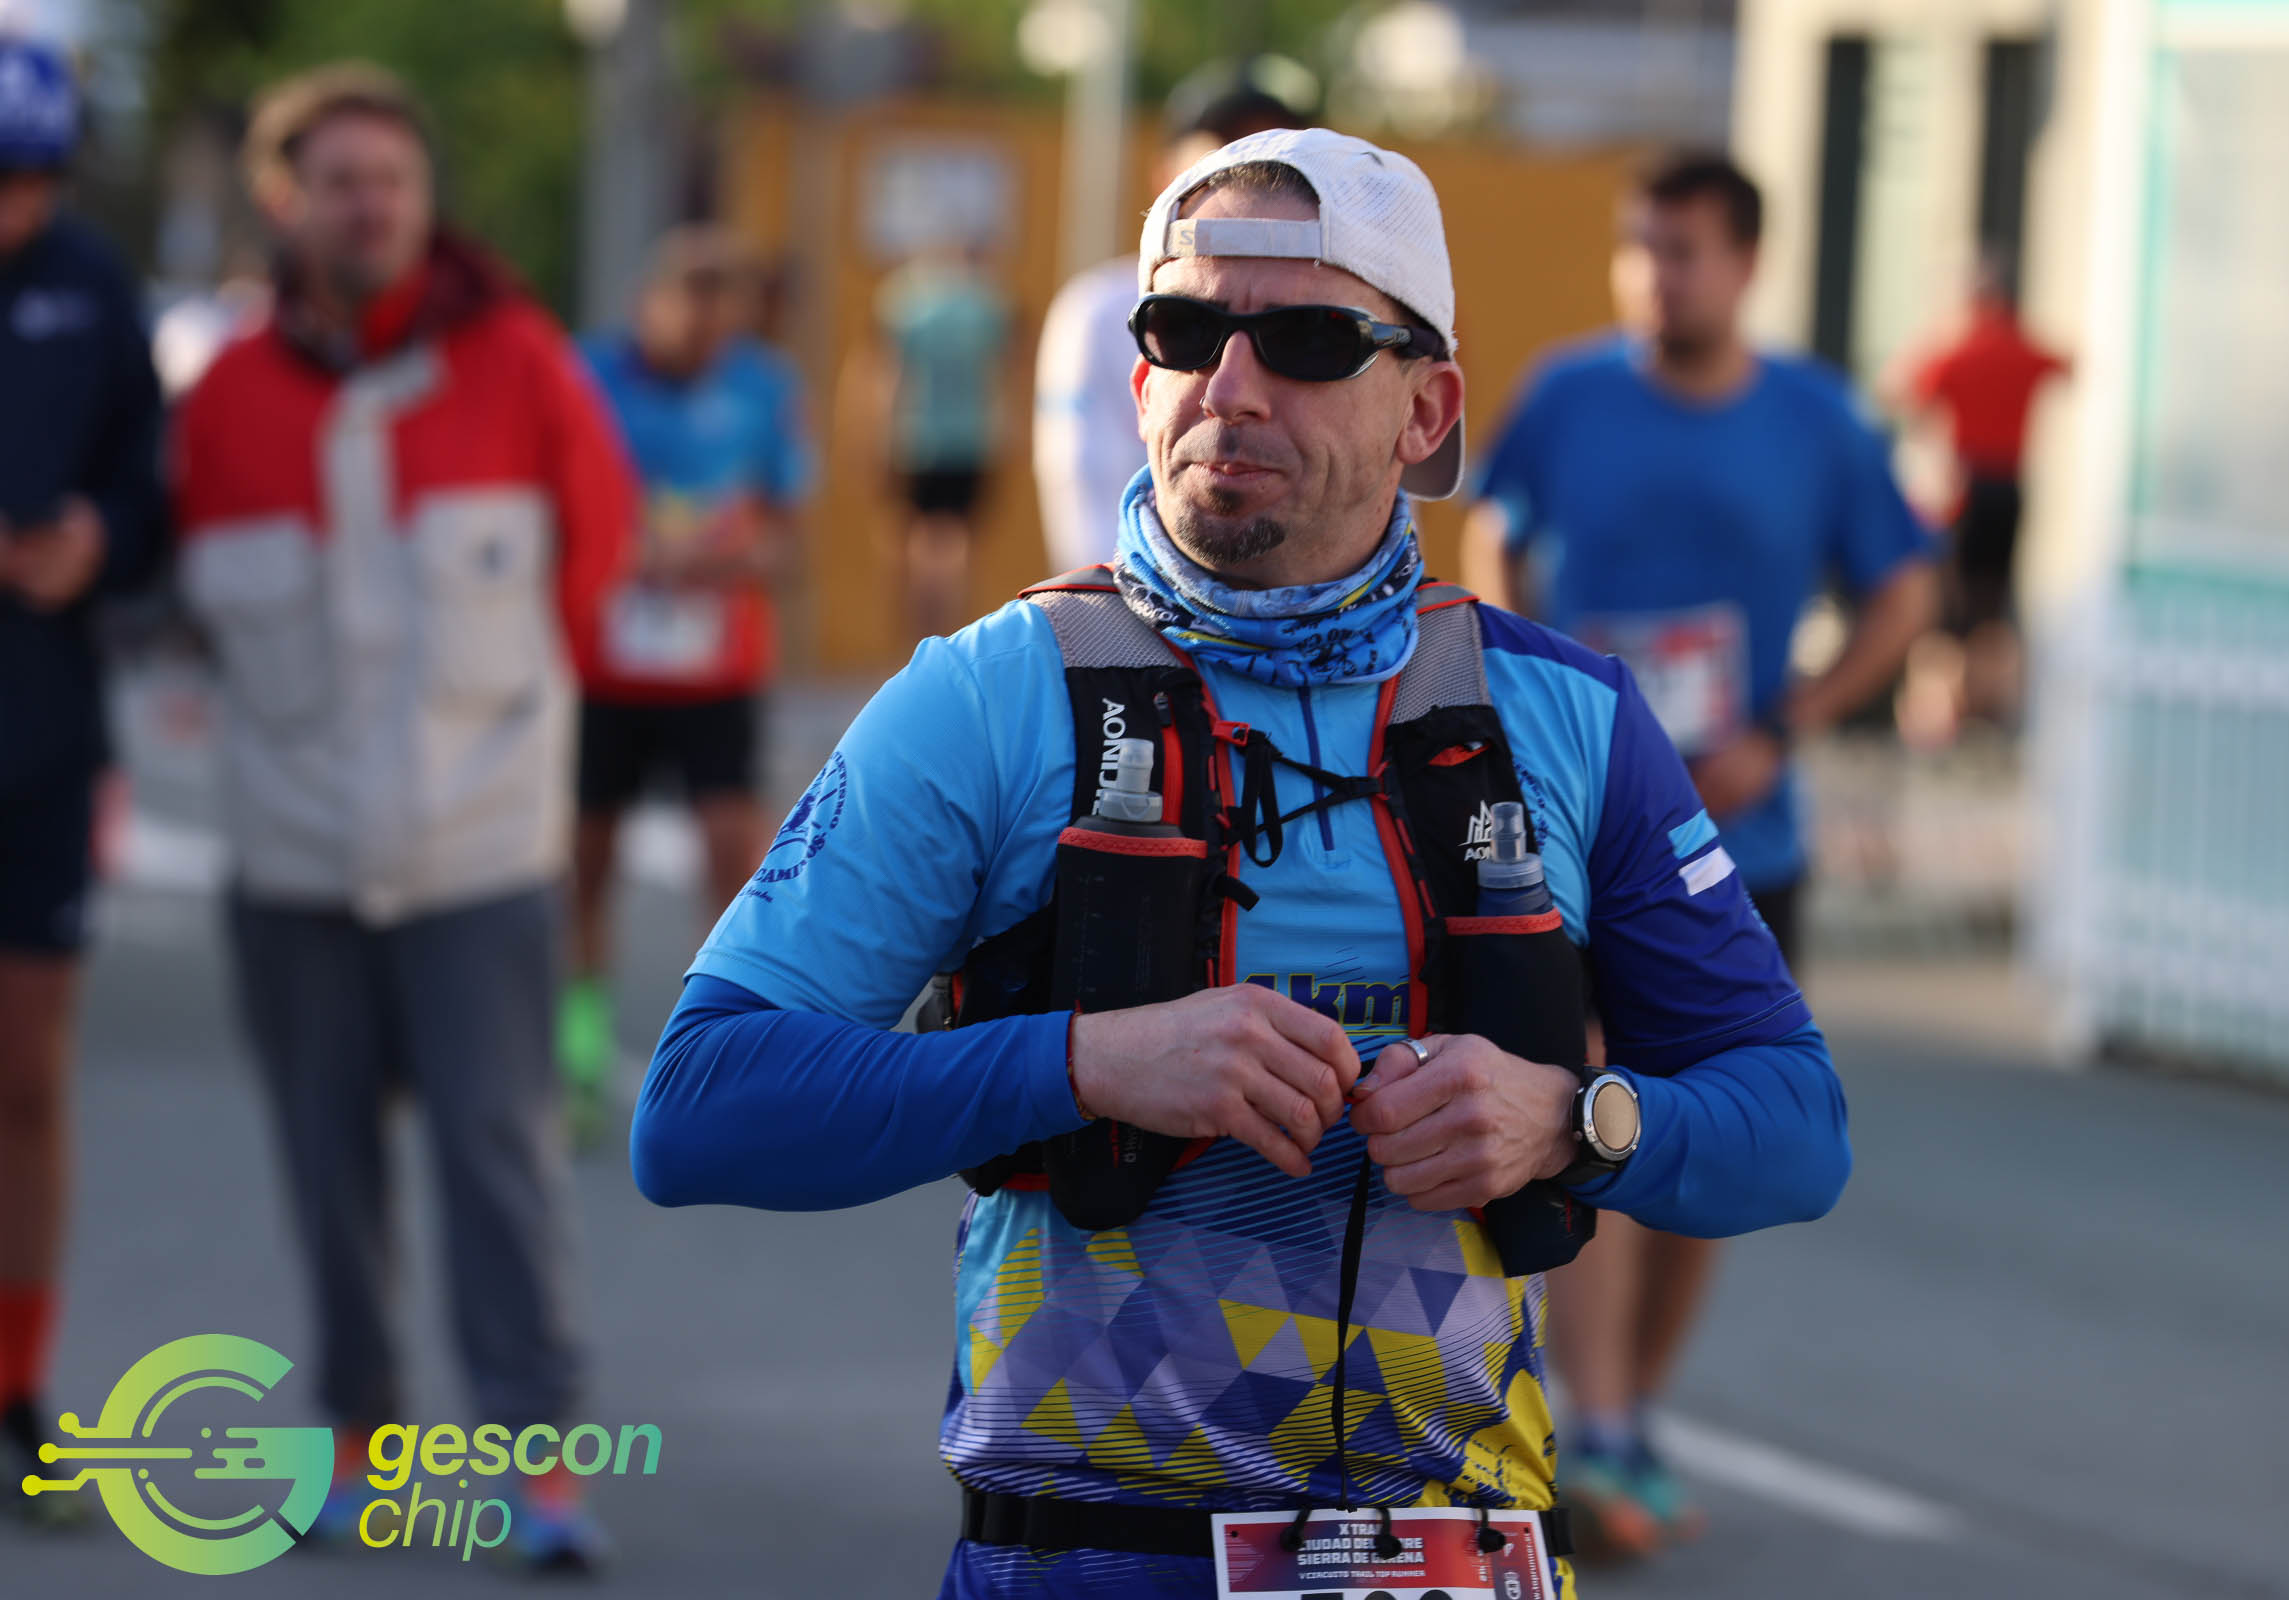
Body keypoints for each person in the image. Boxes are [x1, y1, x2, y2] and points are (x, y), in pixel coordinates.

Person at [633, 127, 1852, 1598]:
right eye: (1185, 330)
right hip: (1092, 1565)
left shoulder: (1569, 715)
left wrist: (1575, 1121)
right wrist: (1086, 1062)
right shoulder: (991, 693)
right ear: (1139, 378)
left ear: (1427, 408)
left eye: (1311, 342)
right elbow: (696, 1111)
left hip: (1458, 1562)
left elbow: (1798, 1126)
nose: (1233, 385)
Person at [172, 63, 633, 1570]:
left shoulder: (517, 361)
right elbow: (194, 600)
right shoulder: (225, 398)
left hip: (480, 852)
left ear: (424, 200)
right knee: (328, 1171)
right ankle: (360, 1442)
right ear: (284, 201)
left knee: (498, 1167)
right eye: (339, 181)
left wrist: (514, 742)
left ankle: (539, 1466)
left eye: (392, 179)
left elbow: (595, 551)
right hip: (292, 858)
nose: (369, 205)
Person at [1462, 151, 1936, 1558]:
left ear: (1746, 264)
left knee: (1711, 1130)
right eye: (1637, 247)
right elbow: (1496, 538)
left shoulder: (1816, 420)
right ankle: (1598, 1423)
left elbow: (1904, 587)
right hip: (1569, 830)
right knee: (1591, 1097)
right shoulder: (1568, 395)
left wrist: (1787, 725)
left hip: (1738, 833)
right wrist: (1522, 704)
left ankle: (1632, 1413)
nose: (1652, 276)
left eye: (1679, 250)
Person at [0, 32, 165, 1519]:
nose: (16, 204)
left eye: (36, 176)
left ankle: (15, 1384)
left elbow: (149, 476)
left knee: (25, 1077)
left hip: (40, 731)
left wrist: (98, 539)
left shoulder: (90, 282)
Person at [562, 225, 816, 1136]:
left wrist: (718, 559)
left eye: (725, 331)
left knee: (733, 866)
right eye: (691, 324)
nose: (709, 345)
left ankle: (731, 1064)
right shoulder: (588, 377)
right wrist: (624, 551)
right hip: (600, 668)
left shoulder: (764, 388)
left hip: (715, 669)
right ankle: (577, 1060)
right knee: (582, 868)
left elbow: (787, 542)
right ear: (650, 305)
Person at [1032, 66, 1307, 573]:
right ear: (1165, 177)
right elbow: (1082, 479)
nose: (1255, 176)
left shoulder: (1346, 309)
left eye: (1279, 160)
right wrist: (1125, 611)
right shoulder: (1099, 310)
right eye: (1225, 155)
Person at [1890, 255, 2069, 731]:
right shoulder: (2023, 349)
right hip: (2008, 488)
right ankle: (1989, 703)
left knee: (1951, 602)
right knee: (1993, 598)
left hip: (1965, 488)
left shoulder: (1960, 351)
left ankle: (1938, 710)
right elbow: (2068, 367)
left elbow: (1905, 389)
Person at [870, 241, 1009, 641]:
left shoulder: (907, 303)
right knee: (959, 543)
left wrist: (881, 437)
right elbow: (1000, 376)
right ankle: (952, 632)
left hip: (919, 438)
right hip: (973, 437)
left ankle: (922, 634)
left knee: (920, 543)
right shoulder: (986, 304)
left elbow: (892, 377)